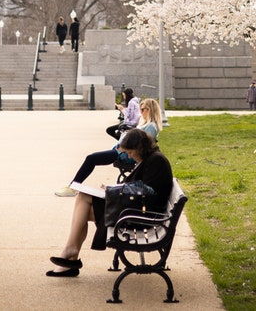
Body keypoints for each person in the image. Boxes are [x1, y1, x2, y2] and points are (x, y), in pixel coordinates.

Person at [45, 128, 173, 278]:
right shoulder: (151, 158)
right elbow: (143, 188)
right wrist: (115, 189)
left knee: (83, 203)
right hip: (136, 209)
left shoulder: (156, 160)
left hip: (141, 215)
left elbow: (147, 190)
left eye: (130, 152)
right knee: (83, 196)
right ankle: (70, 253)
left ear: (139, 148)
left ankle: (70, 256)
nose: (129, 156)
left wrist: (113, 190)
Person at [54, 98, 162, 197]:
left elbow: (144, 147)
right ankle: (73, 186)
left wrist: (124, 147)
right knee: (92, 159)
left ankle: (73, 187)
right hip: (121, 151)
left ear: (150, 110)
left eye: (143, 109)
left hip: (124, 154)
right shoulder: (146, 124)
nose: (141, 112)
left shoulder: (151, 126)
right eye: (140, 109)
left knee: (91, 158)